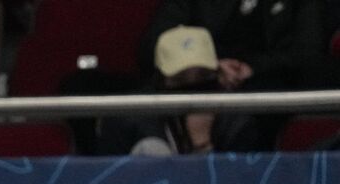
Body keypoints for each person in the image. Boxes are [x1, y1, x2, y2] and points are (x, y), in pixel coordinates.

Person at [99, 26, 263, 155]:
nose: (193, 89)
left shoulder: (236, 122)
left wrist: (203, 145)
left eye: (203, 75)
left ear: (216, 75)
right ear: (160, 81)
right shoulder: (128, 120)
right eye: (181, 78)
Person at [140, 0, 329, 92]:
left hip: (270, 89)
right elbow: (154, 44)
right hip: (198, 83)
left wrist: (253, 69)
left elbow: (308, 54)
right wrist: (211, 66)